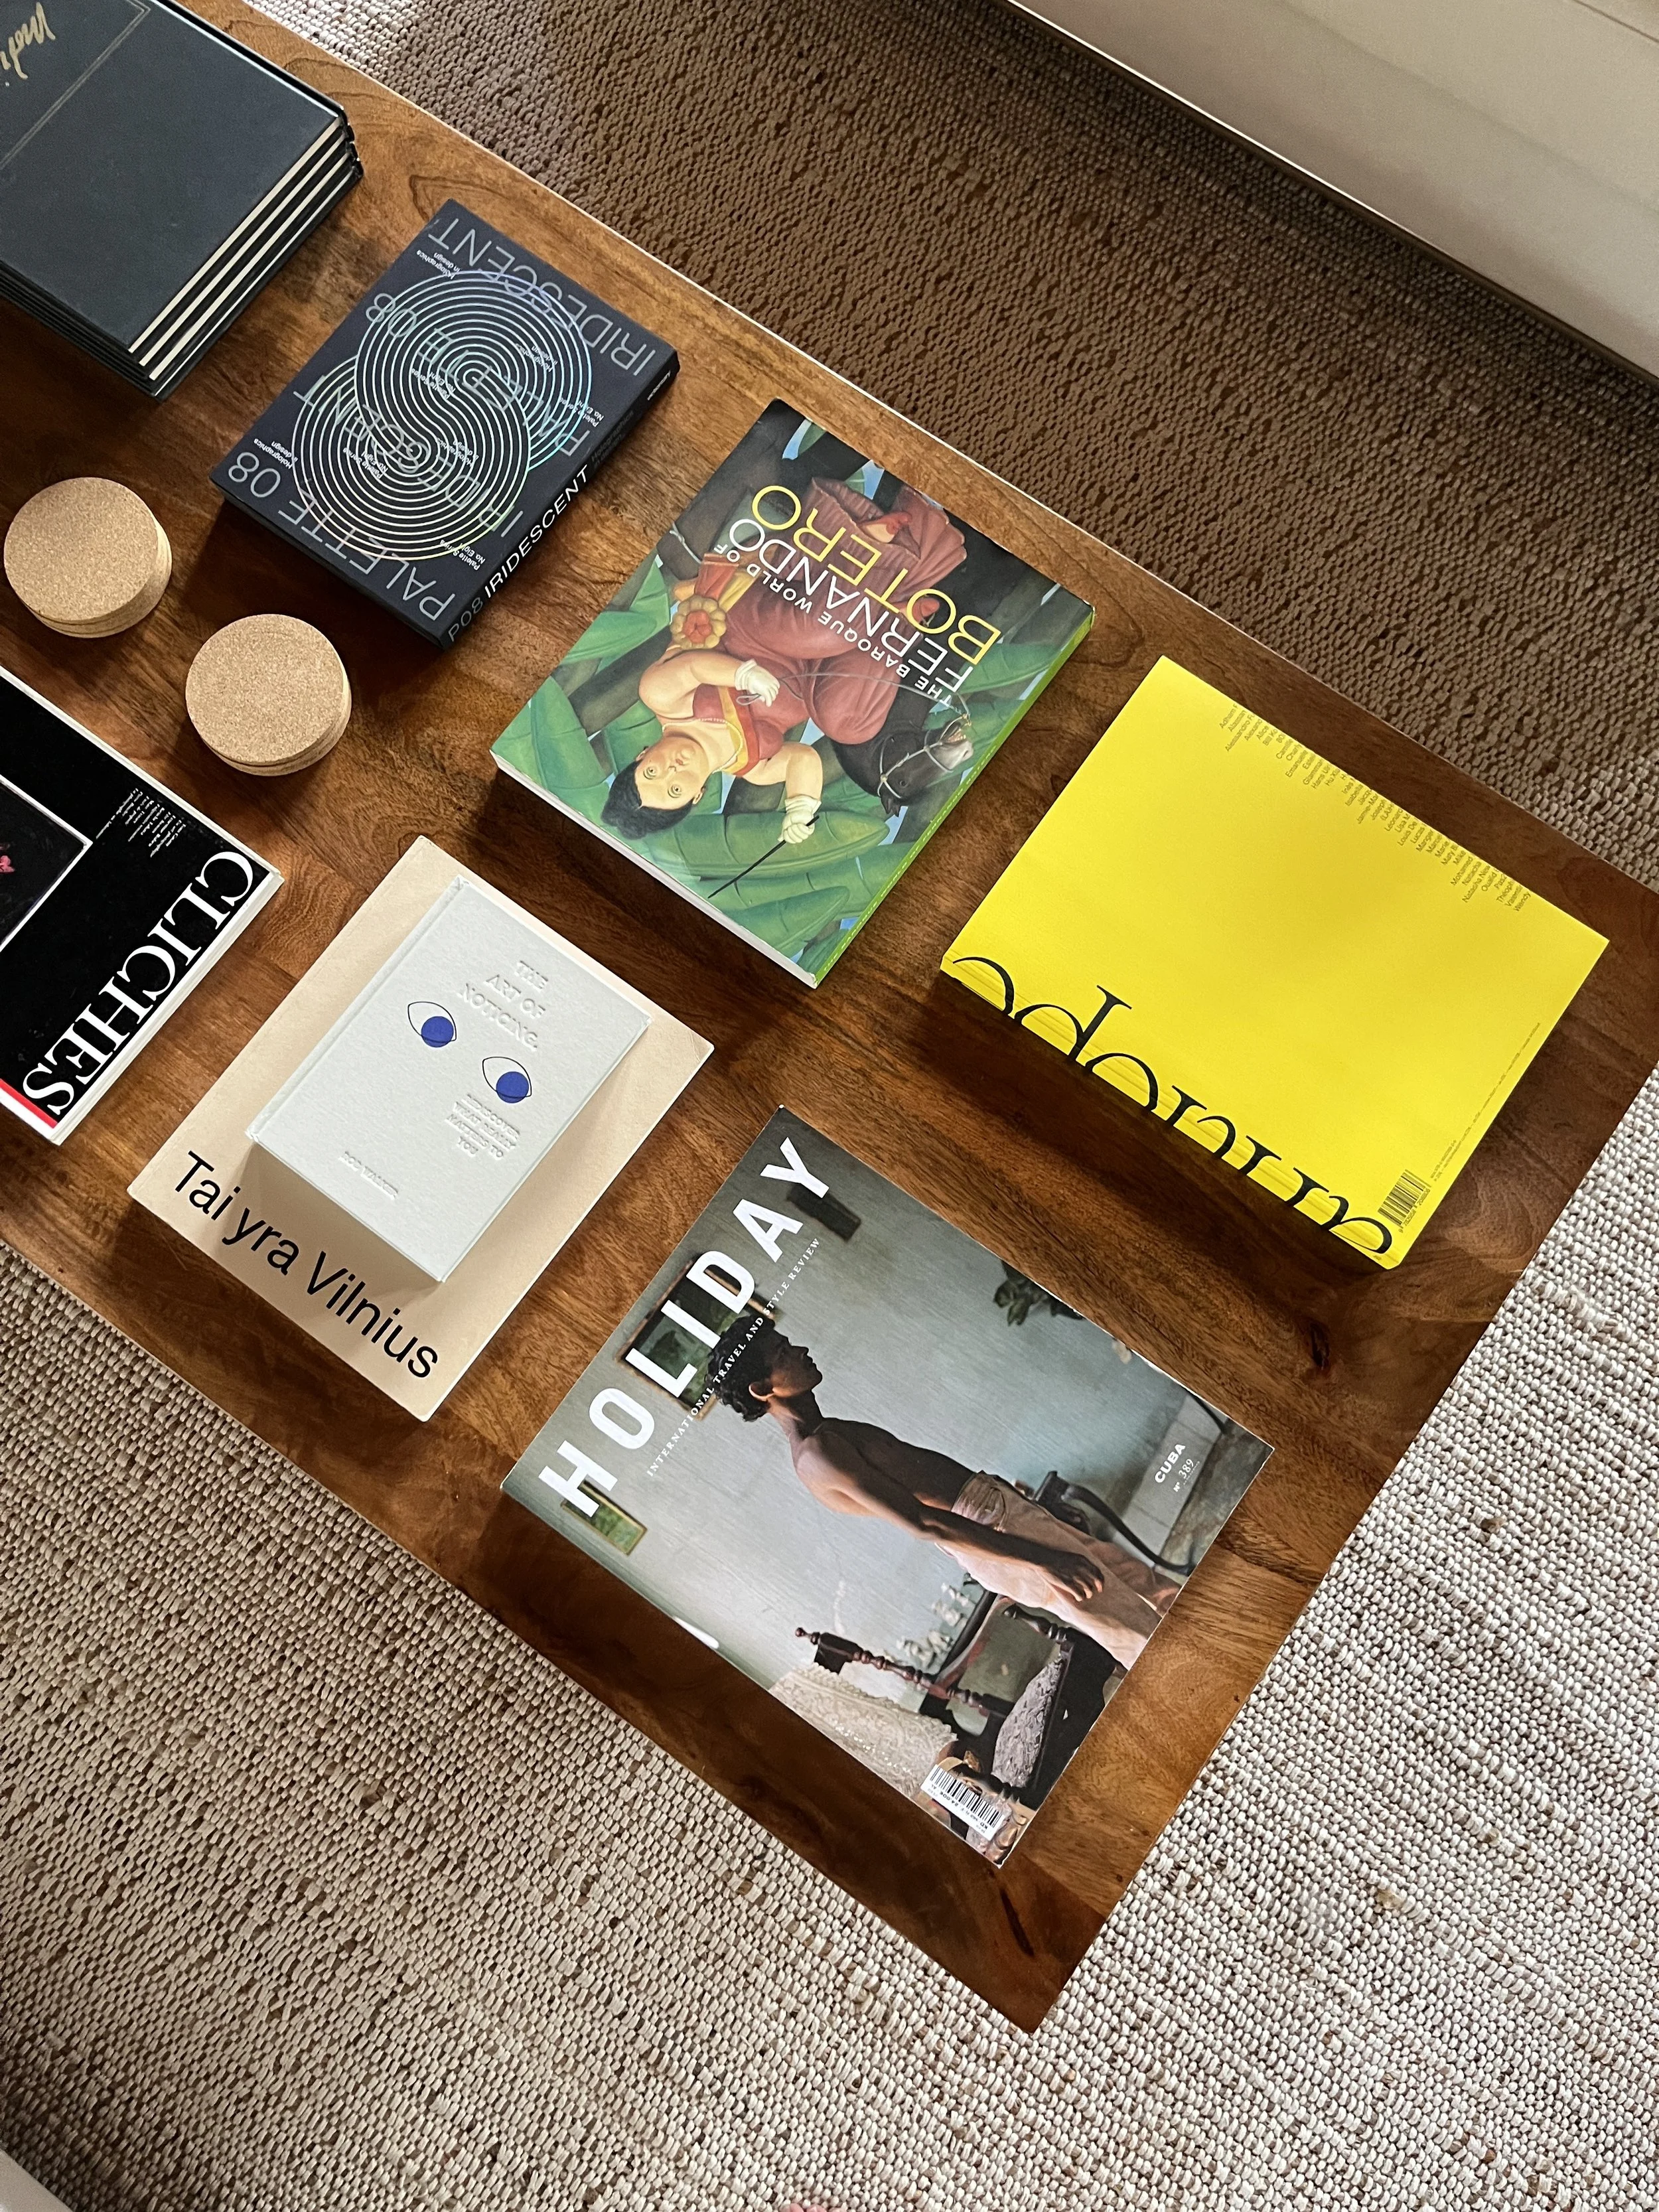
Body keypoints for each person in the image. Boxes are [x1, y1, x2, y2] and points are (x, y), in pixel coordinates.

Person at [706, 1317, 1167, 1669]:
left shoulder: (824, 1433)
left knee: (1147, 1587)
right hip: (991, 1527)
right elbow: (925, 1524)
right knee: (1131, 1625)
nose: (802, 1349)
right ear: (763, 1387)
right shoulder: (818, 1451)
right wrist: (1042, 1558)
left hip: (995, 1511)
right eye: (784, 1351)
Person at [601, 479, 972, 843]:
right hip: (813, 672)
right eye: (675, 789)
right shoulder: (754, 768)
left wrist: (743, 675)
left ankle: (866, 547)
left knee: (823, 631)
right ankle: (897, 616)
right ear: (696, 796)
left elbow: (694, 666)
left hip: (759, 625)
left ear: (643, 754)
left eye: (651, 772)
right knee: (849, 725)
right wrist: (800, 806)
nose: (671, 771)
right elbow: (803, 759)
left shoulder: (661, 699)